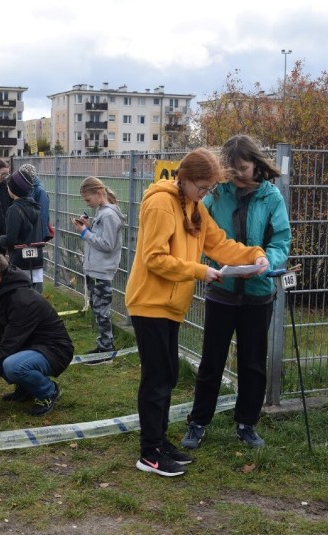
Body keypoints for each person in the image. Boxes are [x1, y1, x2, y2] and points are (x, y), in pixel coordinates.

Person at [124, 148, 269, 477]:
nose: (206, 194)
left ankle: (159, 442)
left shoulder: (193, 206)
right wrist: (200, 272)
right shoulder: (161, 203)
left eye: (209, 189)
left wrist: (255, 256)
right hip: (150, 302)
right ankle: (149, 453)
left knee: (169, 375)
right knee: (157, 378)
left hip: (172, 304)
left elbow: (219, 244)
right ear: (185, 178)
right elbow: (154, 258)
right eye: (202, 187)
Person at [182, 135, 291, 450]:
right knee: (211, 361)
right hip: (222, 291)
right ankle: (198, 423)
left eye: (242, 168)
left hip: (259, 292)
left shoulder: (272, 198)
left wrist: (266, 262)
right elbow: (200, 231)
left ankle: (247, 424)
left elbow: (281, 238)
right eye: (230, 170)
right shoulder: (216, 195)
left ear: (256, 163)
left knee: (253, 362)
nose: (237, 175)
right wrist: (206, 264)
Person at [0, 253, 74, 417]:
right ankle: (26, 388)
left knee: (12, 365)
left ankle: (49, 391)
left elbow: (7, 346)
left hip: (54, 350)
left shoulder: (22, 301)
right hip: (27, 343)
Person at [72, 176, 126, 362]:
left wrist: (85, 233)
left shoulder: (109, 215)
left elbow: (107, 244)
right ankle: (104, 345)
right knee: (98, 308)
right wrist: (89, 227)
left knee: (101, 310)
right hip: (96, 269)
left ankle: (105, 349)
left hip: (101, 270)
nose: (88, 204)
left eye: (88, 200)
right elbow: (101, 238)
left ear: (99, 193)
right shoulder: (103, 213)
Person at [0, 169, 44, 289]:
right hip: (36, 262)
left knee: (20, 299)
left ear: (13, 189)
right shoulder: (36, 207)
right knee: (35, 299)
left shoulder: (14, 210)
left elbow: (11, 239)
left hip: (19, 263)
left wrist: (1, 239)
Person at [19, 163, 53, 291]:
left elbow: (43, 215)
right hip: (28, 237)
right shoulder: (29, 189)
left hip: (36, 237)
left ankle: (37, 294)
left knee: (35, 269)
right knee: (28, 268)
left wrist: (41, 237)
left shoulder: (40, 191)